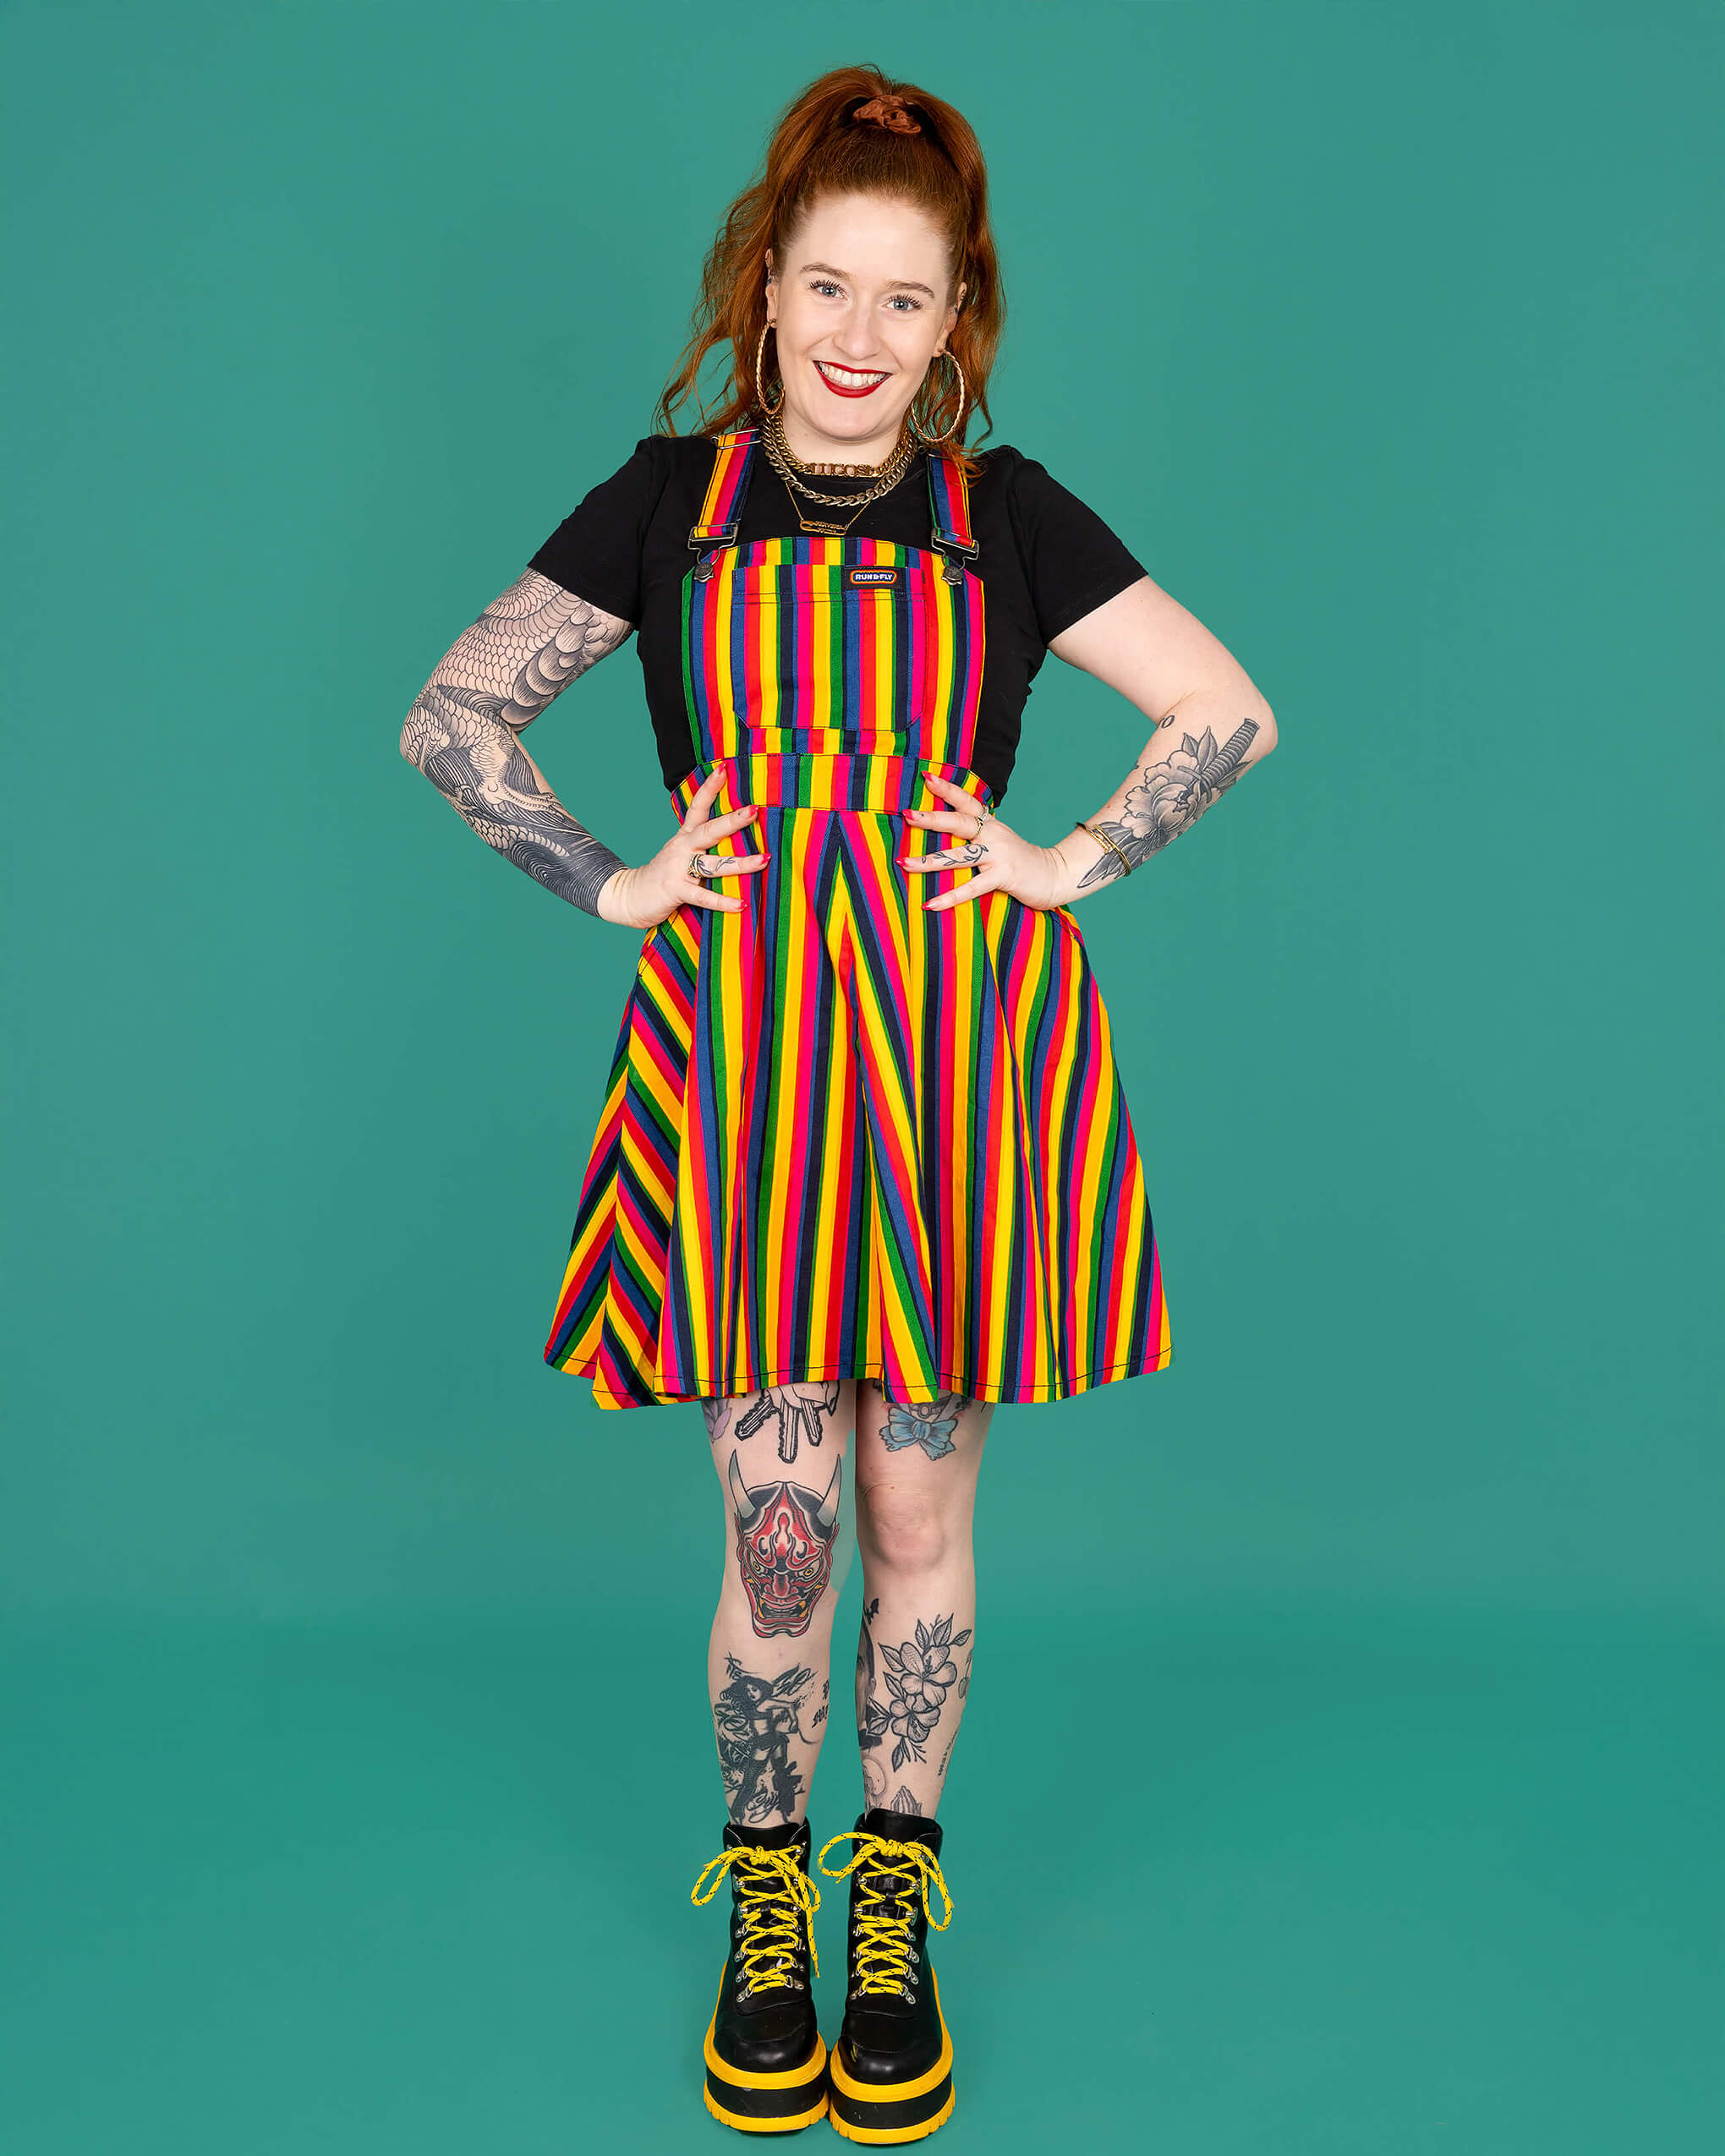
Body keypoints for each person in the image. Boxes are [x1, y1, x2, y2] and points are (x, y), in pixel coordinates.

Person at [400, 63, 1276, 2143]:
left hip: (967, 1070)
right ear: (765, 288)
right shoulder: (663, 505)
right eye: (825, 287)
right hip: (742, 1077)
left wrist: (1068, 861)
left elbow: (1224, 709)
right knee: (781, 1538)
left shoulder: (1013, 516)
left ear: (957, 315)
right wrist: (611, 881)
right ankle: (769, 1904)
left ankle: (894, 1891)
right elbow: (453, 716)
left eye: (905, 297)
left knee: (914, 1513)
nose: (860, 336)